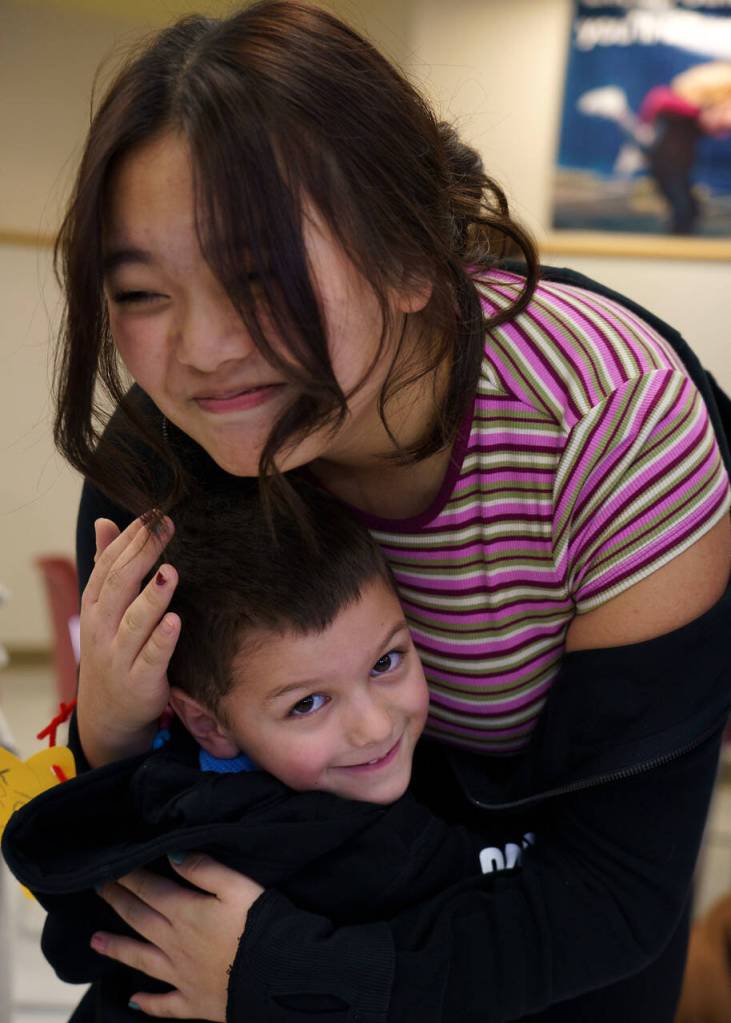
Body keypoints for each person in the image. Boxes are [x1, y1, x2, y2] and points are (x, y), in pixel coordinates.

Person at [50, 1, 731, 1020]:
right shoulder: (164, 457)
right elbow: (147, 829)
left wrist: (293, 973)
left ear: (416, 256)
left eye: (256, 276)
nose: (196, 352)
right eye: (143, 293)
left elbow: (612, 894)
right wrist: (109, 734)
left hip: (535, 937)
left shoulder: (609, 424)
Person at [4, 482, 534, 1021]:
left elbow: (66, 943)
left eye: (385, 663)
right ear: (208, 724)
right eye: (307, 704)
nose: (374, 727)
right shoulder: (331, 845)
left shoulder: (173, 767)